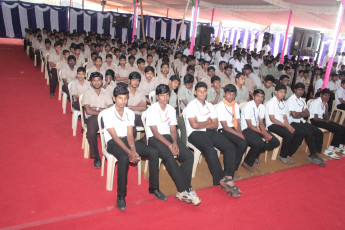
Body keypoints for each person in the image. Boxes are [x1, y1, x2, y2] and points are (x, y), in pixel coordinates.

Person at [103, 86, 165, 211]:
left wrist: (133, 149)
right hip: (113, 143)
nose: (123, 101)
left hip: (127, 140)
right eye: (120, 98)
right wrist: (129, 152)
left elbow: (130, 134)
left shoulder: (129, 113)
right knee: (124, 157)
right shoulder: (107, 113)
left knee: (153, 152)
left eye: (125, 98)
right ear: (114, 98)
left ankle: (154, 188)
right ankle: (121, 196)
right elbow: (114, 137)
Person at [146, 84, 201, 205]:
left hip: (169, 137)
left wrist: (175, 143)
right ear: (157, 96)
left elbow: (172, 130)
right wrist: (170, 146)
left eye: (167, 95)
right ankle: (185, 189)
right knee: (169, 157)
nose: (165, 98)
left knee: (188, 156)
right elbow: (155, 133)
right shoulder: (151, 110)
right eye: (162, 95)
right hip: (155, 139)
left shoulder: (171, 109)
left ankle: (184, 189)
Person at [185, 82, 241, 197]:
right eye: (200, 91)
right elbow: (194, 126)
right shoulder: (191, 105)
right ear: (195, 92)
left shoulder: (210, 105)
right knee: (210, 150)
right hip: (195, 134)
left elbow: (215, 125)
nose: (202, 93)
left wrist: (202, 123)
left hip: (210, 131)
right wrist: (208, 122)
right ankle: (219, 178)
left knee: (229, 147)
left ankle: (228, 177)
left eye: (204, 91)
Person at [286, 83, 326, 167]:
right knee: (308, 133)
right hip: (292, 122)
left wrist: (299, 114)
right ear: (295, 90)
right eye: (299, 89)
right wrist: (302, 114)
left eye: (302, 90)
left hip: (301, 121)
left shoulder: (302, 100)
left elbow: (307, 113)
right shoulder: (291, 100)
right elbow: (294, 115)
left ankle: (314, 154)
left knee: (319, 132)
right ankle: (316, 155)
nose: (301, 92)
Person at [240, 89, 280, 172]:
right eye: (258, 96)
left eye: (262, 97)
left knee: (275, 142)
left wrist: (265, 133)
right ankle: (246, 163)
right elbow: (250, 125)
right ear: (253, 97)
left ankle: (255, 154)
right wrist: (263, 133)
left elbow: (261, 123)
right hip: (246, 129)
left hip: (257, 128)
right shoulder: (248, 107)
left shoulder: (262, 107)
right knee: (259, 143)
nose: (260, 98)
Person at [266, 84, 304, 164]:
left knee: (299, 133)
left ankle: (288, 154)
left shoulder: (282, 103)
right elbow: (272, 119)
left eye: (284, 92)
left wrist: (289, 126)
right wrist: (287, 126)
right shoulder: (271, 102)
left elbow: (284, 117)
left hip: (282, 124)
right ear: (275, 92)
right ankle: (282, 155)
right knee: (289, 134)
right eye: (281, 92)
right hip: (272, 125)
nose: (283, 94)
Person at [82, 72, 113, 168]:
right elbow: (88, 110)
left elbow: (111, 108)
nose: (97, 82)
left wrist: (96, 108)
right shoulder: (87, 93)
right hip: (93, 117)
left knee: (116, 128)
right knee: (91, 132)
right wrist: (101, 110)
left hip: (105, 116)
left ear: (102, 81)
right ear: (91, 82)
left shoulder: (106, 92)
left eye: (98, 80)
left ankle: (112, 151)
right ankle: (96, 155)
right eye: (94, 80)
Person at [216, 84, 248, 178]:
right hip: (222, 130)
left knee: (243, 143)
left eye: (233, 94)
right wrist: (238, 134)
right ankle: (229, 170)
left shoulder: (235, 105)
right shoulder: (220, 106)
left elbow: (238, 121)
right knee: (236, 144)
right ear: (224, 94)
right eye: (229, 94)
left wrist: (240, 133)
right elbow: (225, 126)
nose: (231, 97)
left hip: (233, 128)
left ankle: (233, 168)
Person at [310, 88, 345, 158]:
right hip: (314, 121)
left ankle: (340, 147)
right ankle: (329, 150)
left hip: (321, 120)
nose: (327, 97)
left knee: (343, 127)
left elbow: (326, 117)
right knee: (338, 129)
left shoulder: (324, 103)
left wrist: (326, 107)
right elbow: (315, 118)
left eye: (328, 96)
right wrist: (325, 121)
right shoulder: (316, 102)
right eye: (325, 95)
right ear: (321, 95)